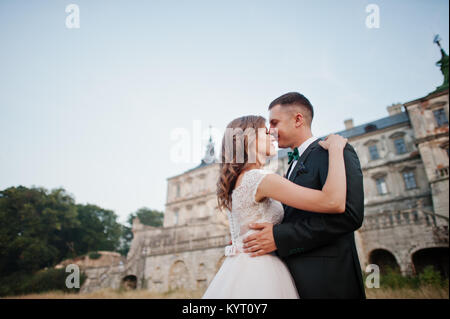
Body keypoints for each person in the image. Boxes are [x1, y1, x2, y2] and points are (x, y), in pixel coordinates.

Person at [202, 111, 350, 299]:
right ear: (249, 139)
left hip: (239, 267)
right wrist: (336, 150)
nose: (272, 135)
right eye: (265, 132)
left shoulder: (237, 182)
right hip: (261, 268)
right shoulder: (260, 179)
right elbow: (333, 202)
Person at [241, 92, 366, 299]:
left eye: (274, 122)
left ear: (298, 119)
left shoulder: (333, 151)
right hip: (292, 280)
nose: (270, 131)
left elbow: (350, 215)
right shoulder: (289, 166)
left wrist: (280, 237)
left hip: (328, 281)